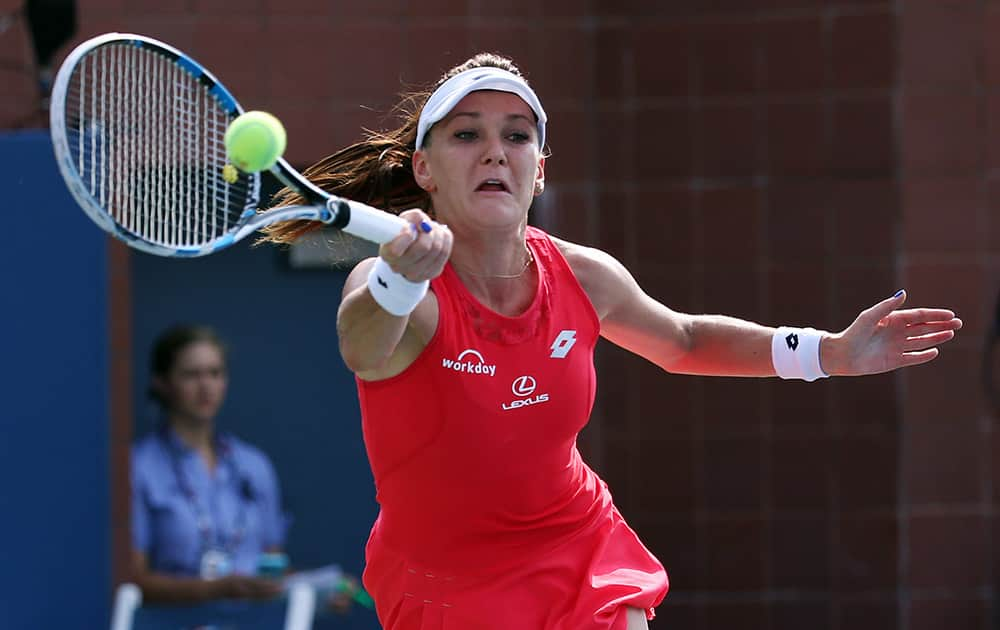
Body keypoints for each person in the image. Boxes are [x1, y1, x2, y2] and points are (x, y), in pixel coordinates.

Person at [262, 53, 963, 630]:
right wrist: (396, 283)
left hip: (574, 543)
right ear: (425, 170)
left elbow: (684, 341)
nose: (495, 152)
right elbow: (364, 349)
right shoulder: (394, 280)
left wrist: (827, 354)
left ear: (540, 169)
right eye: (467, 135)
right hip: (443, 578)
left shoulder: (584, 276)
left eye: (517, 136)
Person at [129, 324, 289, 604]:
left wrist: (317, 590)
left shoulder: (254, 465)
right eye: (191, 375)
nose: (206, 386)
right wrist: (214, 590)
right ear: (162, 382)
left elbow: (271, 567)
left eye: (215, 373)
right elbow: (131, 582)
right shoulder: (139, 467)